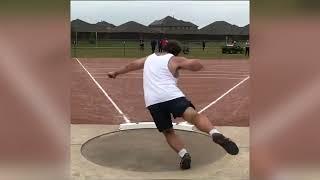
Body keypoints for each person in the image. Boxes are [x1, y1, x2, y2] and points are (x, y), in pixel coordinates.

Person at [107, 41, 239, 170]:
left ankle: (184, 155)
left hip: (153, 102)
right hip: (172, 97)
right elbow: (195, 65)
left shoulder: (149, 58)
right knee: (194, 117)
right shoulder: (174, 60)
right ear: (176, 52)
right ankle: (214, 133)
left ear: (163, 48)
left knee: (168, 131)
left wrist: (116, 73)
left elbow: (132, 65)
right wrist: (193, 63)